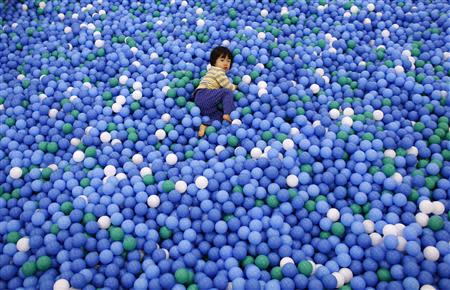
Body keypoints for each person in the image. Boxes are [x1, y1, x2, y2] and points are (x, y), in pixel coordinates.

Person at [193, 46, 237, 137]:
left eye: (228, 61)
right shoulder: (218, 71)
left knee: (218, 116)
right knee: (226, 92)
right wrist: (235, 87)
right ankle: (228, 113)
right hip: (205, 94)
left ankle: (205, 125)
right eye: (222, 60)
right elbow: (227, 86)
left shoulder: (210, 71)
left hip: (200, 101)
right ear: (214, 62)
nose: (226, 63)